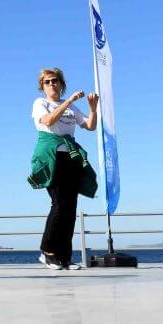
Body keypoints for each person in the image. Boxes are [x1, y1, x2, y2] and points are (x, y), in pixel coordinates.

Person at [27, 68, 98, 270]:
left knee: (70, 207)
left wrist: (93, 108)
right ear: (42, 86)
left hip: (70, 156)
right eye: (47, 82)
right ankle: (47, 251)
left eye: (55, 80)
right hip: (51, 156)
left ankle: (64, 257)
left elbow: (90, 126)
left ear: (61, 83)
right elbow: (49, 121)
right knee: (58, 203)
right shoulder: (41, 103)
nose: (51, 84)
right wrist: (68, 102)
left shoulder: (71, 108)